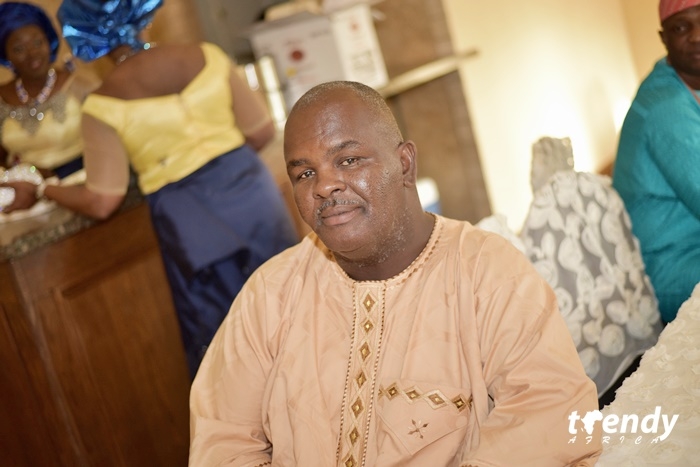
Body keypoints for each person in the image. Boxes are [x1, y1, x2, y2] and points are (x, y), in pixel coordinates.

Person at [189, 81, 603, 466]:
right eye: (305, 173)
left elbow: (550, 413)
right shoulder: (270, 294)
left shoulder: (487, 272)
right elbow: (222, 441)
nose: (324, 186)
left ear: (404, 163)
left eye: (348, 160)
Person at [1, 0, 299, 378]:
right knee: (294, 310)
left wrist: (43, 188)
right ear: (144, 17)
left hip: (191, 223)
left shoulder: (103, 104)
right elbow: (261, 131)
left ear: (90, 38)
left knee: (235, 344)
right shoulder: (207, 55)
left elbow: (102, 201)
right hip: (255, 200)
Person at [612, 0, 700, 323]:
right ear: (664, 38)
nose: (696, 36)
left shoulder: (687, 85)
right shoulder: (665, 106)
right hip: (672, 267)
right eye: (681, 27)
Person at [0, 1, 99, 180]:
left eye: (38, 42)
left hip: (85, 181)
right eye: (19, 48)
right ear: (5, 55)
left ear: (49, 41)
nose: (32, 53)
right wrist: (26, 174)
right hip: (27, 190)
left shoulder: (80, 84)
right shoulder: (2, 98)